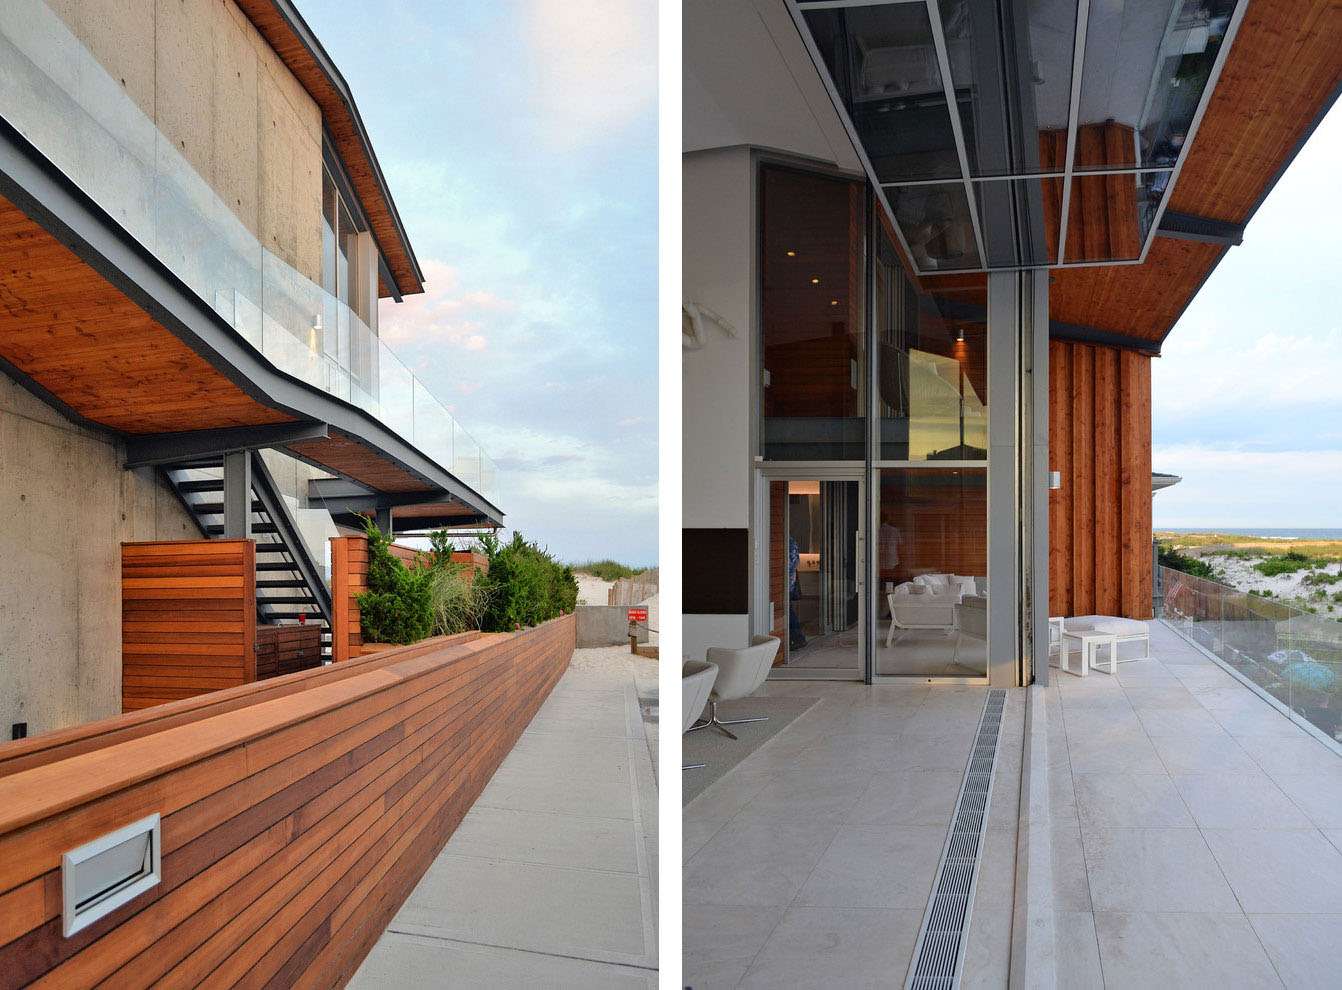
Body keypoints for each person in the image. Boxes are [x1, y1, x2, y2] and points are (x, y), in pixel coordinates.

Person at [789, 536, 807, 649]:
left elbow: (789, 566)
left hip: (786, 583)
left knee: (788, 612)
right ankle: (797, 638)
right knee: (789, 611)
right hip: (790, 582)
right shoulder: (793, 543)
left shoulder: (787, 544)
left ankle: (798, 637)